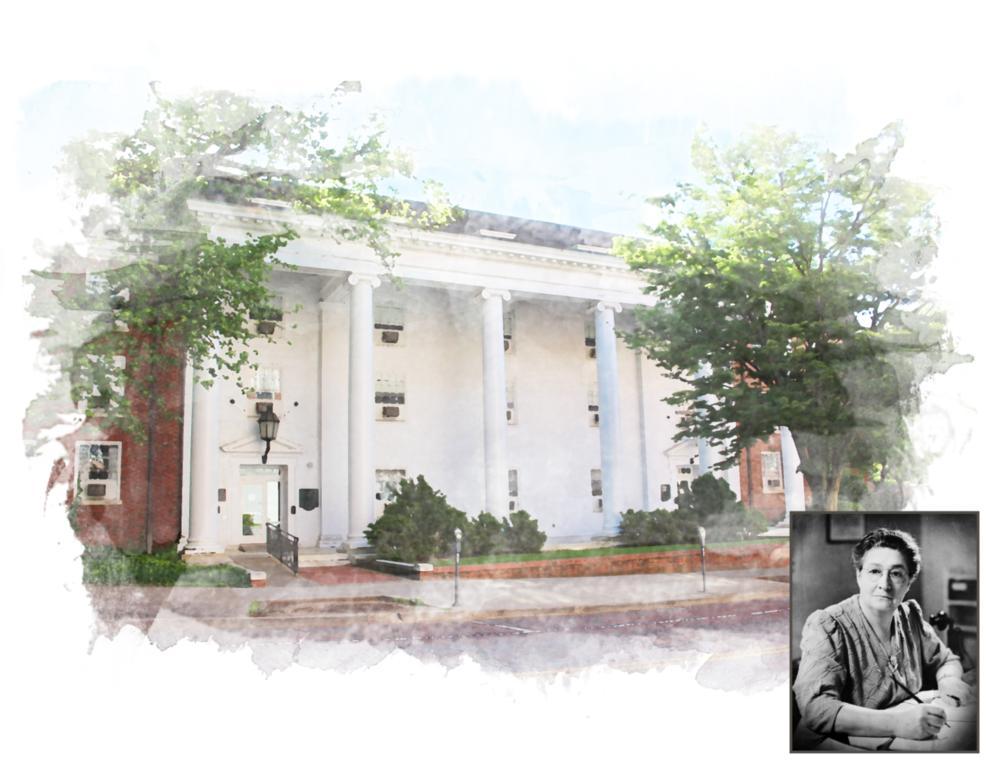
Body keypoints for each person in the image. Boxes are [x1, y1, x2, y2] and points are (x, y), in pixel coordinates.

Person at [793, 527, 971, 749]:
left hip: (893, 743)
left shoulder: (910, 617)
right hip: (831, 746)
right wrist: (897, 723)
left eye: (896, 573)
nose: (884, 584)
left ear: (909, 582)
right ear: (859, 575)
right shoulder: (827, 624)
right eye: (875, 571)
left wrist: (949, 680)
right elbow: (816, 709)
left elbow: (945, 660)